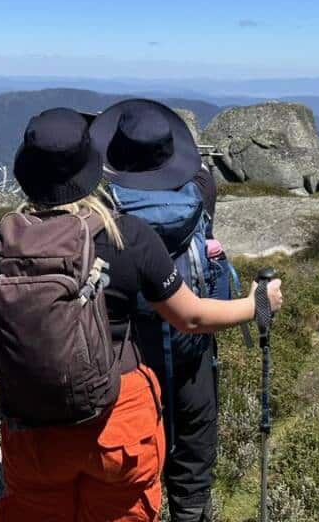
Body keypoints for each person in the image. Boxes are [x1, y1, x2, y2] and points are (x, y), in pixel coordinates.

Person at [0, 108, 282, 522]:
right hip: (118, 425)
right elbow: (190, 318)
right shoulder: (125, 235)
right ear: (91, 167)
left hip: (33, 428)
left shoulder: (0, 244)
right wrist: (257, 304)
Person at [89, 99, 227, 522]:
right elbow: (197, 172)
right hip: (191, 349)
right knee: (193, 455)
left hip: (127, 359)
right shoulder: (203, 190)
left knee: (128, 469)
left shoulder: (103, 209)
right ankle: (190, 512)